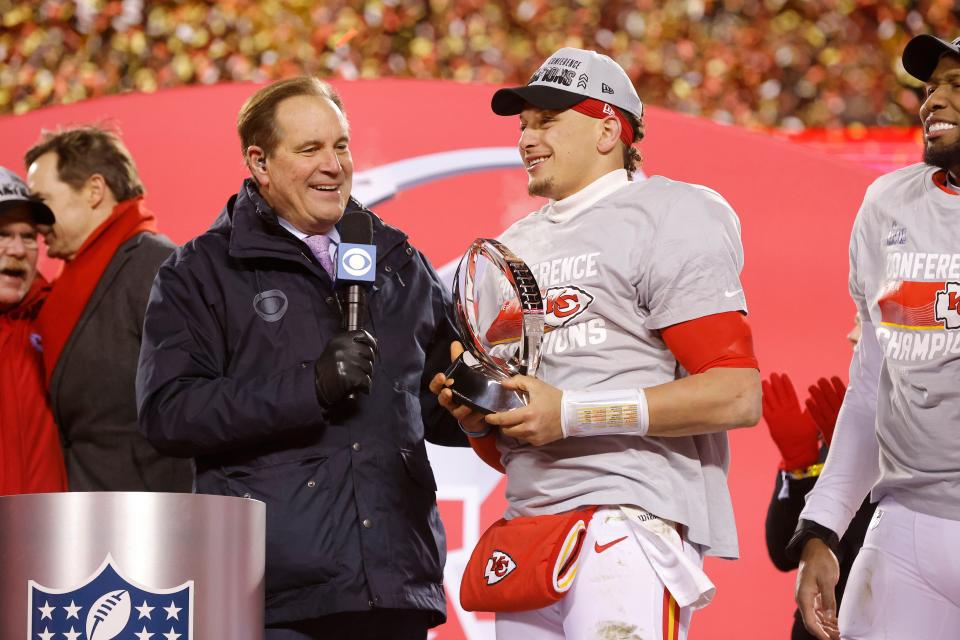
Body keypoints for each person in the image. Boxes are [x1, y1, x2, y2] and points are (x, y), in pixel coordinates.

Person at [430, 48, 761, 640]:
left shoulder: (671, 214)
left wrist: (571, 412)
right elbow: (519, 441)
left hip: (628, 519)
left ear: (610, 127)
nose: (527, 137)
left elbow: (735, 394)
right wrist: (480, 420)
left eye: (547, 121)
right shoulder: (512, 247)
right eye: (523, 124)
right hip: (530, 529)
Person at [136, 77, 465, 639]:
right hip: (274, 596)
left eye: (341, 145)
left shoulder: (398, 260)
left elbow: (436, 405)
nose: (334, 165)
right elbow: (169, 411)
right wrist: (308, 387)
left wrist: (475, 404)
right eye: (310, 149)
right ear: (259, 162)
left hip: (395, 587)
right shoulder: (203, 271)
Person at [790, 34, 960, 640]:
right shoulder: (888, 203)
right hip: (906, 527)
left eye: (956, 85)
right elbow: (871, 387)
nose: (933, 100)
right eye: (931, 86)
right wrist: (823, 529)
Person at [24, 126, 192, 492]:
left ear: (94, 190)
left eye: (42, 201)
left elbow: (190, 409)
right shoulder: (66, 283)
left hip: (149, 518)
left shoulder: (156, 266)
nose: (36, 223)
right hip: (89, 515)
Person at [763, 317, 876, 640]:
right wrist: (800, 468)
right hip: (817, 628)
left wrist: (859, 461)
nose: (850, 335)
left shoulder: (930, 423)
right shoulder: (837, 417)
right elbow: (782, 552)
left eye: (862, 324)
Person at [0, 166, 67, 495]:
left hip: (52, 533)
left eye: (27, 236)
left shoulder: (60, 314)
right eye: (2, 234)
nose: (16, 250)